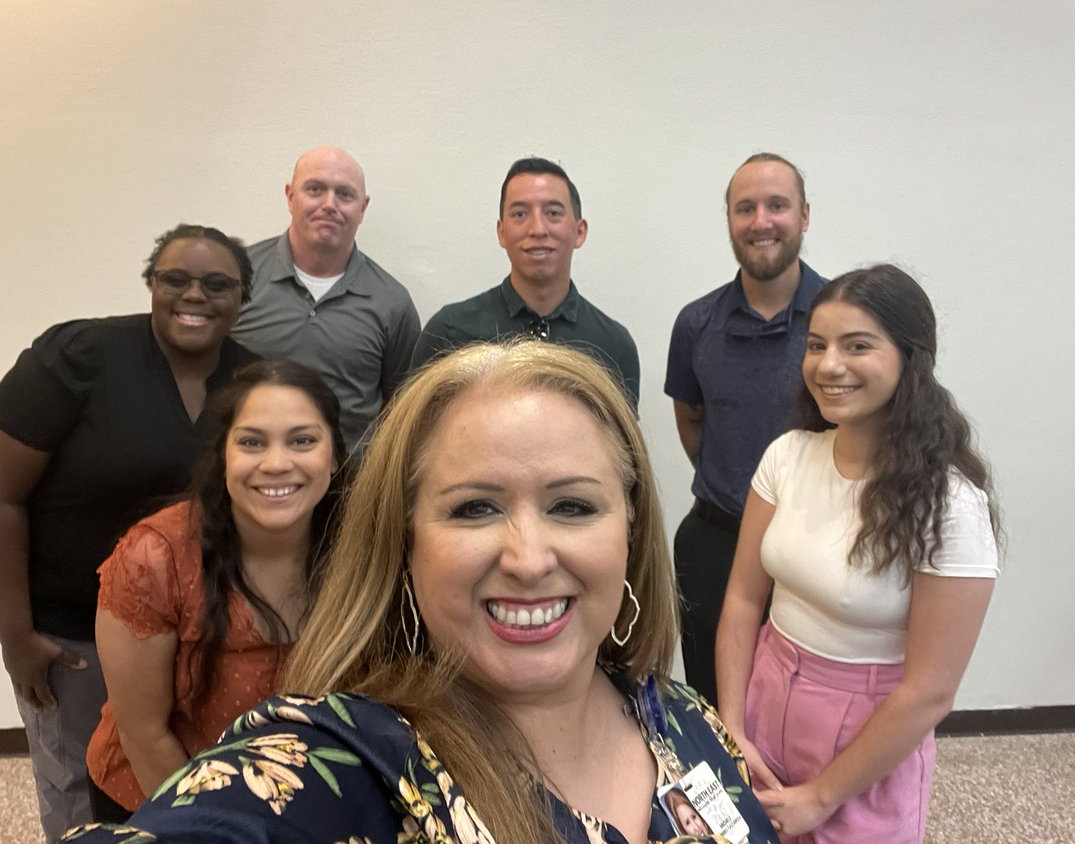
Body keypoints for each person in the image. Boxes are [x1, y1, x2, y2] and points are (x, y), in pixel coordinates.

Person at [63, 341, 777, 843]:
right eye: (474, 508)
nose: (529, 559)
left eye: (572, 506)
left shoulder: (687, 719)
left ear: (631, 529)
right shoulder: (342, 765)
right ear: (405, 547)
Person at [715, 264, 1001, 842]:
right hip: (765, 692)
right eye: (817, 345)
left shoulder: (950, 504)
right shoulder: (788, 455)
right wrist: (732, 726)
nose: (829, 365)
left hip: (868, 733)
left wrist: (822, 798)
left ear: (909, 357)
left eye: (857, 345)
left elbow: (930, 691)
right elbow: (744, 601)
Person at [0, 224, 258, 842]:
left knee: (178, 783)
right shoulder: (78, 355)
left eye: (217, 284)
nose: (194, 295)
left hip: (202, 631)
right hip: (70, 633)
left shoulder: (254, 380)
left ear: (243, 298)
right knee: (80, 792)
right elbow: (3, 497)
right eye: (176, 279)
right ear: (151, 283)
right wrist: (15, 638)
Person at [85, 360, 346, 821]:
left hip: (298, 802)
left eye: (303, 440)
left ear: (335, 455)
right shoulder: (155, 557)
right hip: (162, 796)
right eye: (251, 442)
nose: (277, 463)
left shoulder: (360, 548)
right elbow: (144, 734)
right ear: (224, 455)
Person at [665, 152, 826, 703]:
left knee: (799, 701)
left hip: (818, 545)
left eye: (777, 205)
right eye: (745, 208)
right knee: (715, 701)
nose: (761, 221)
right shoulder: (695, 323)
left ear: (804, 215)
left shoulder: (840, 318)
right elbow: (692, 421)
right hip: (715, 542)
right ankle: (722, 793)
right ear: (729, 220)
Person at [410, 157, 640, 409]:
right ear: (501, 232)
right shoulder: (448, 332)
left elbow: (619, 446)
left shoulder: (614, 345)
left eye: (553, 213)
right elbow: (414, 436)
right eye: (520, 214)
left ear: (580, 231)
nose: (538, 229)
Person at [233, 146, 421, 452]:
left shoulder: (392, 302)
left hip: (350, 489)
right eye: (315, 189)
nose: (329, 204)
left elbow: (402, 414)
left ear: (363, 207)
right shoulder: (238, 277)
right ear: (290, 197)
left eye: (344, 194)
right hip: (252, 476)